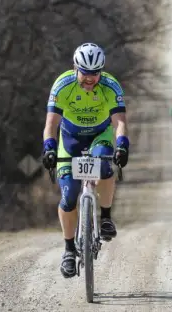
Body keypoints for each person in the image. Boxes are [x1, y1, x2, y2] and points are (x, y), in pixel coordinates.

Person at [40, 42, 130, 279]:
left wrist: (122, 145)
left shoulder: (110, 86)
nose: (90, 79)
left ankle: (107, 218)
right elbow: (51, 124)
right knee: (69, 198)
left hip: (99, 135)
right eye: (85, 74)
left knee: (104, 166)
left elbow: (119, 121)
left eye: (95, 74)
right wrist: (49, 148)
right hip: (69, 141)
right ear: (75, 68)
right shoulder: (63, 85)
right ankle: (69, 250)